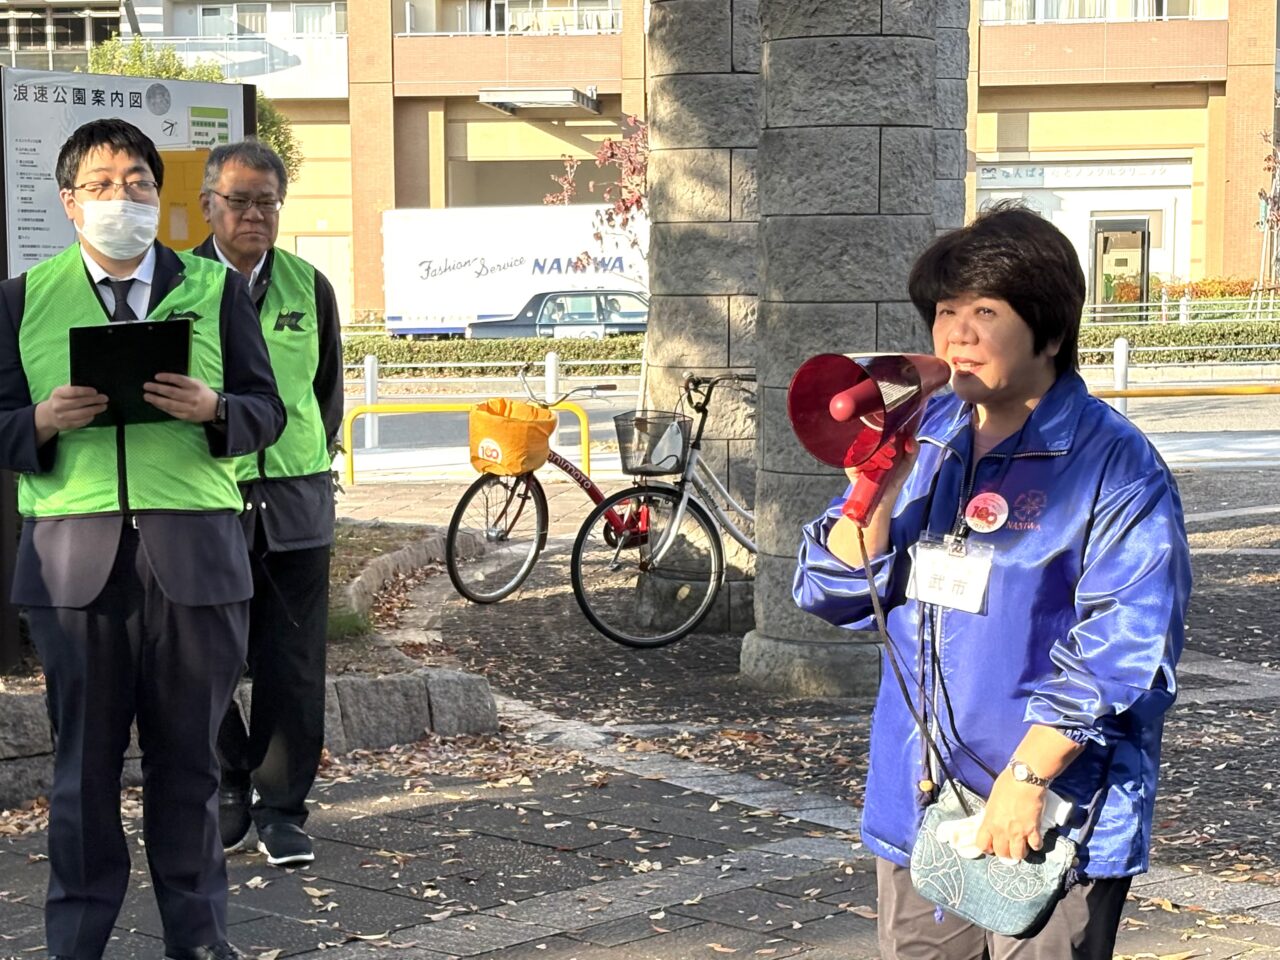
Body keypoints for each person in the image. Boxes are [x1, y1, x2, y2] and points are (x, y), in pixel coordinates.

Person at [793, 202, 1192, 959]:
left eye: (986, 310)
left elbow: (1125, 645)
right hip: (919, 797)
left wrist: (1026, 777)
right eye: (945, 311)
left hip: (1050, 804)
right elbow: (833, 594)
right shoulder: (928, 435)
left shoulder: (1114, 464)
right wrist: (870, 488)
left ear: (1048, 328)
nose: (958, 334)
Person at [0, 119, 284, 960]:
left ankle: (199, 942)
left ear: (161, 199)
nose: (119, 197)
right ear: (67, 202)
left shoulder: (215, 290)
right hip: (71, 567)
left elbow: (269, 412)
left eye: (136, 183)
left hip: (195, 561)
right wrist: (42, 421)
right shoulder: (23, 298)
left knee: (190, 769)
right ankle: (75, 942)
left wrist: (216, 411)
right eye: (99, 183)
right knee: (81, 772)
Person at [192, 139, 342, 868]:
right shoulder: (178, 285)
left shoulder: (310, 287)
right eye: (239, 200)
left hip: (295, 497)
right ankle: (227, 786)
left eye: (267, 202)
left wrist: (304, 460)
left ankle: (283, 807)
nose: (254, 214)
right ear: (208, 206)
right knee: (206, 655)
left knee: (293, 660)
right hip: (205, 497)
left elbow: (327, 394)